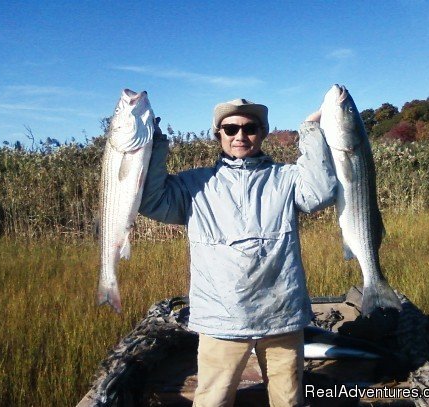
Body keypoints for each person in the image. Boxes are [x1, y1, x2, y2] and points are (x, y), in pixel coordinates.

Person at [139, 98, 337, 406]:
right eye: (230, 128)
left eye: (250, 128)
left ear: (263, 132)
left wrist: (311, 130)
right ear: (218, 134)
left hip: (281, 316)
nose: (240, 136)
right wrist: (155, 144)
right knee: (212, 399)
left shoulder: (286, 178)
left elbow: (320, 194)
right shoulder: (193, 184)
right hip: (220, 319)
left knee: (288, 399)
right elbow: (150, 201)